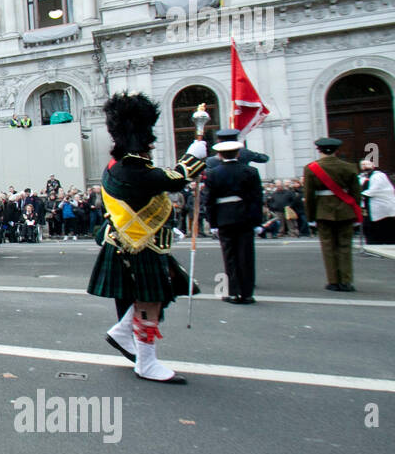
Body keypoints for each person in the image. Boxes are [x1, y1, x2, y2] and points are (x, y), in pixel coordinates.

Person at [87, 93, 207, 384]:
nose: (152, 146)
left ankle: (124, 332)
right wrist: (196, 155)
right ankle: (147, 362)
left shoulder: (119, 166)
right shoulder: (134, 169)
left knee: (157, 296)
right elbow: (175, 178)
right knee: (150, 302)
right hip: (140, 245)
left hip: (137, 243)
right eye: (149, 142)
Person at [203, 139, 264, 304]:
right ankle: (247, 293)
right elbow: (257, 199)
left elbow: (209, 201)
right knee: (246, 255)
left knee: (229, 256)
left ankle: (233, 292)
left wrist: (213, 223)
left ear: (220, 155)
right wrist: (258, 222)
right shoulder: (250, 171)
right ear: (238, 153)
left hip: (224, 218)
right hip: (245, 217)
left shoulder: (213, 173)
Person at [303, 137, 362, 292]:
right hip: (345, 210)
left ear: (319, 150)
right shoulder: (349, 167)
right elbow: (356, 194)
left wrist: (310, 217)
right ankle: (346, 281)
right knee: (345, 246)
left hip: (323, 211)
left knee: (328, 247)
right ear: (337, 151)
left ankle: (333, 281)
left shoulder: (311, 168)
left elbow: (309, 195)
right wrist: (356, 213)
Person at [360, 158, 395, 245]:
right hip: (368, 205)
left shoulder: (379, 176)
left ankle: (391, 239)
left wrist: (363, 194)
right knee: (370, 224)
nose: (364, 166)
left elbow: (375, 188)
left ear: (373, 166)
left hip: (380, 204)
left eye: (367, 164)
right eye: (363, 165)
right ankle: (373, 240)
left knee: (385, 223)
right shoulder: (362, 177)